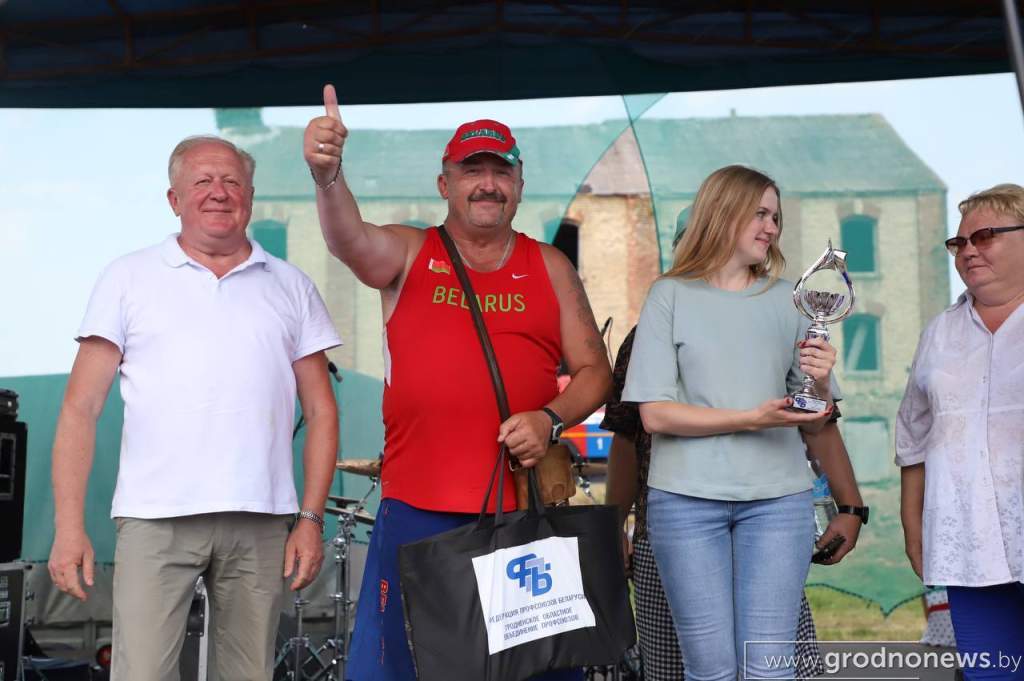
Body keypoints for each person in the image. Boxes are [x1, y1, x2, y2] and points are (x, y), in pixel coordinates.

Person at [303, 85, 612, 681]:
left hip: (523, 512)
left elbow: (595, 371)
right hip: (419, 511)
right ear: (445, 184)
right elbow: (350, 241)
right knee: (405, 668)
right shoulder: (413, 250)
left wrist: (549, 419)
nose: (488, 183)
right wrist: (328, 175)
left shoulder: (548, 264)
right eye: (473, 171)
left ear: (519, 186)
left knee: (528, 669)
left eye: (501, 171)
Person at [47, 136, 342, 681]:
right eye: (202, 181)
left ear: (250, 197)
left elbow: (322, 412)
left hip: (260, 517)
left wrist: (310, 518)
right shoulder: (127, 276)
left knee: (248, 674)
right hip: (154, 516)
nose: (218, 193)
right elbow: (80, 409)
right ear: (173, 198)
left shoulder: (291, 286)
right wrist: (68, 528)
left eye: (231, 181)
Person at [622, 165, 867, 680]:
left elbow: (815, 417)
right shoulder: (668, 295)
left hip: (778, 503)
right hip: (684, 503)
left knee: (769, 669)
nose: (772, 227)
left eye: (775, 216)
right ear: (722, 212)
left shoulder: (793, 300)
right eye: (760, 213)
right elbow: (654, 414)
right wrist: (752, 416)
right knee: (709, 670)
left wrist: (820, 384)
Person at [898, 183, 1024, 681]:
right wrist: (914, 526)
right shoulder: (939, 333)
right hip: (968, 542)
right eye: (959, 242)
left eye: (986, 236)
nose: (969, 249)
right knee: (993, 674)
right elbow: (912, 437)